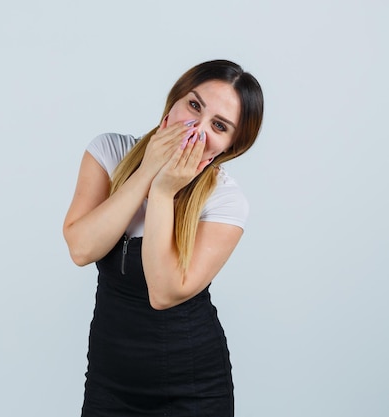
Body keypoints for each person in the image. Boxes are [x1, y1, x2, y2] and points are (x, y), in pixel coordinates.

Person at [63, 59, 264, 416]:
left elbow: (164, 292)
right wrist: (146, 173)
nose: (196, 129)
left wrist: (162, 192)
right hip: (108, 384)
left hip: (193, 391)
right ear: (173, 101)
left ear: (230, 146)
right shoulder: (108, 152)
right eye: (194, 105)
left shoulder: (227, 201)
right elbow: (81, 249)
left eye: (218, 126)